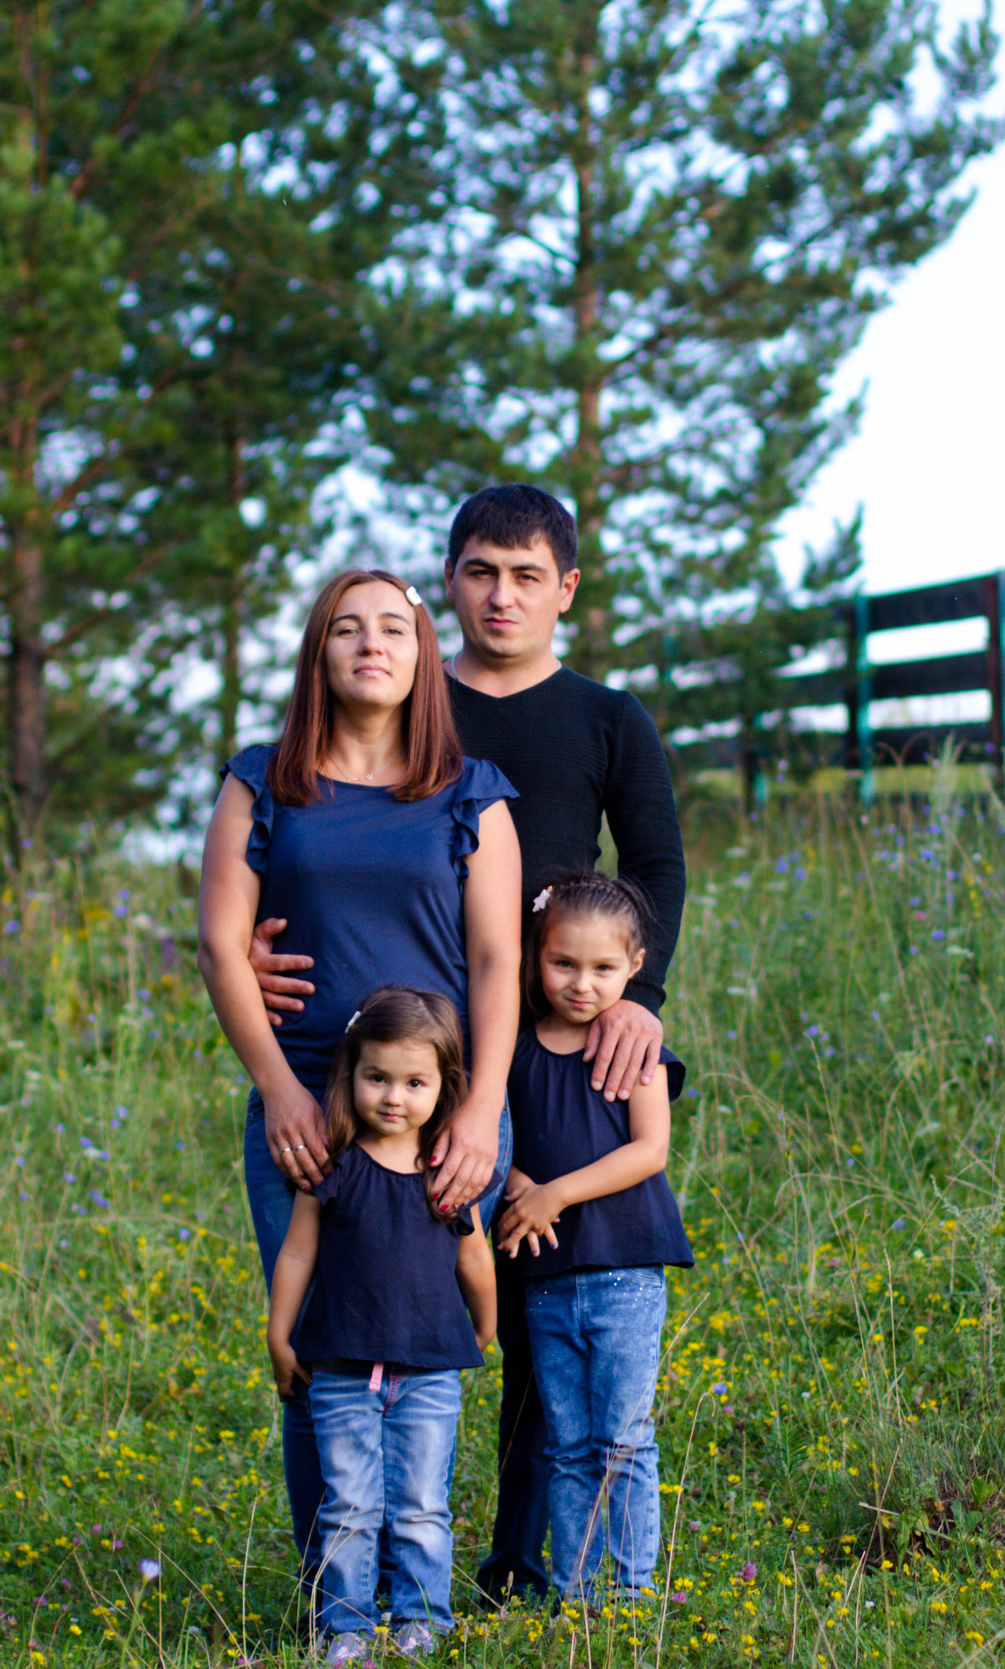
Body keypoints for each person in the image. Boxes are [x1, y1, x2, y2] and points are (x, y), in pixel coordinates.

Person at [247, 487, 688, 1604]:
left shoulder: (605, 718)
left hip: (559, 1045)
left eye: (527, 575)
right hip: (411, 1059)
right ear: (448, 582)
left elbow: (657, 868)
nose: (502, 595)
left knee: (550, 1312)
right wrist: (259, 943)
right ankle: (375, 1569)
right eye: (481, 571)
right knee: (399, 1296)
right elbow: (322, 832)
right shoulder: (402, 699)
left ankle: (531, 1559)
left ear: (566, 591)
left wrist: (647, 995)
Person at [196, 567, 523, 1564]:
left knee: (424, 1359)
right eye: (346, 629)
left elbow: (497, 959)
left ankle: (414, 1592)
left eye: (392, 627)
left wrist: (479, 1116)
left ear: (423, 652)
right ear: (319, 654)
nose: (370, 644)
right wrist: (283, 1091)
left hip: (443, 1124)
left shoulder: (473, 792)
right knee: (314, 1354)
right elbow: (220, 946)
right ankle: (328, 1602)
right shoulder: (261, 783)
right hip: (309, 1118)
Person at [268, 988, 500, 1665]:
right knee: (348, 1504)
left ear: (443, 1086)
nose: (394, 1096)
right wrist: (280, 1334)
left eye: (414, 1081)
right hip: (340, 1365)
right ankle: (346, 1624)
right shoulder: (334, 1168)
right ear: (351, 1075)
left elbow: (473, 1254)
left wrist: (482, 1325)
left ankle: (422, 1617)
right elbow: (298, 1251)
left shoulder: (447, 1173)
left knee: (422, 1503)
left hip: (429, 1369)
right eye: (378, 1077)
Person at [495, 874, 692, 1606]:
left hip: (625, 1272)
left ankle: (632, 1590)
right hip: (545, 1279)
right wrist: (519, 1183)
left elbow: (649, 1150)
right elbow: (496, 1139)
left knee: (623, 1440)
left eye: (603, 968)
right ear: (535, 958)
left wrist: (556, 1192)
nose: (582, 984)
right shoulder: (515, 1051)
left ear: (635, 965)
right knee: (568, 1446)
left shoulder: (635, 1049)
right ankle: (577, 1595)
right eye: (563, 964)